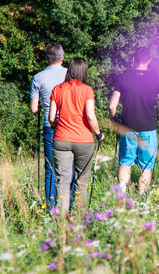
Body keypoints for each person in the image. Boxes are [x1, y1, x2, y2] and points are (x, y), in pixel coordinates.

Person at [109, 47, 159, 196]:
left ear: (134, 59)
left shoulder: (123, 78)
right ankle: (142, 199)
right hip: (148, 128)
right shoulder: (155, 79)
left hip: (128, 127)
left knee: (125, 162)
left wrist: (115, 120)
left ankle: (121, 197)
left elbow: (112, 106)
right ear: (149, 60)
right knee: (146, 166)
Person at [48, 57, 104, 218]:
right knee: (81, 181)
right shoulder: (87, 90)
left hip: (61, 140)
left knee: (63, 181)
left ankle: (62, 220)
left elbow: (51, 118)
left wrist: (54, 126)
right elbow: (91, 116)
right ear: (83, 71)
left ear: (69, 70)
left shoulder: (57, 89)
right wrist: (99, 134)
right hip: (84, 140)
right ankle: (79, 218)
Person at [29, 43, 67, 210]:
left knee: (50, 169)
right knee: (68, 167)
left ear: (46, 58)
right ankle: (68, 206)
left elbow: (33, 108)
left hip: (49, 126)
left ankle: (51, 208)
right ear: (62, 58)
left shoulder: (38, 77)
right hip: (69, 125)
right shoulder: (70, 74)